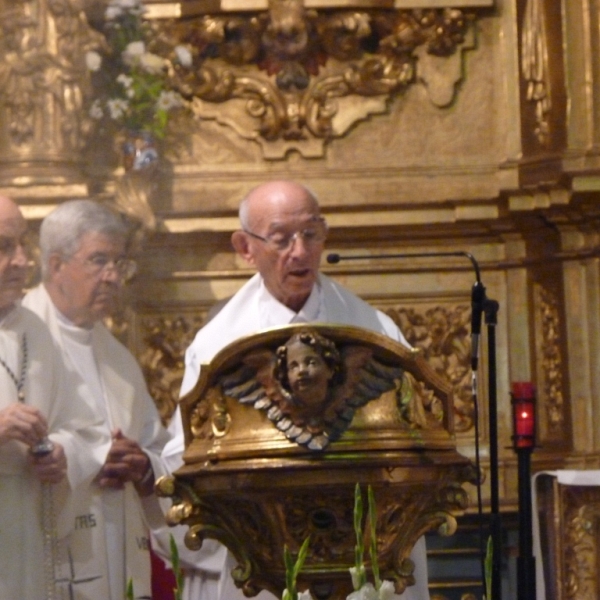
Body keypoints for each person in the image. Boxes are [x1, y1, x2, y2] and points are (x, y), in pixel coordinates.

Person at [158, 180, 431, 600]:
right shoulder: (219, 346)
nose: (299, 251)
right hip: (264, 549)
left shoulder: (374, 333)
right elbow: (184, 457)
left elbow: (418, 434)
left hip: (360, 544)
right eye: (282, 239)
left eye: (310, 234)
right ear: (246, 248)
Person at [23, 199, 170, 600]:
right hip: (41, 558)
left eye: (119, 264)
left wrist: (143, 467)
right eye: (99, 261)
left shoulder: (118, 358)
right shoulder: (17, 340)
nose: (112, 277)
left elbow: (156, 446)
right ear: (55, 265)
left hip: (117, 554)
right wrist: (88, 454)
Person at [0, 194, 107, 600]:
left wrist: (61, 453)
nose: (22, 260)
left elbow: (82, 429)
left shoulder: (35, 329)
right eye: (3, 246)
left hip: (29, 535)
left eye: (22, 244)